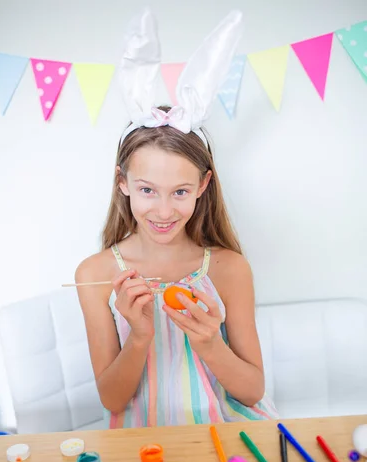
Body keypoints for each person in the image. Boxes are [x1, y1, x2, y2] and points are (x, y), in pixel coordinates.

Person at [75, 9, 278, 428]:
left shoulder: (227, 268)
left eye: (180, 192)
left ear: (203, 186)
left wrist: (209, 343)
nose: (164, 211)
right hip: (143, 441)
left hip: (228, 429)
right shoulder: (95, 274)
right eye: (148, 189)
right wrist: (140, 336)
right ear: (123, 183)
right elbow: (112, 400)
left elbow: (253, 391)